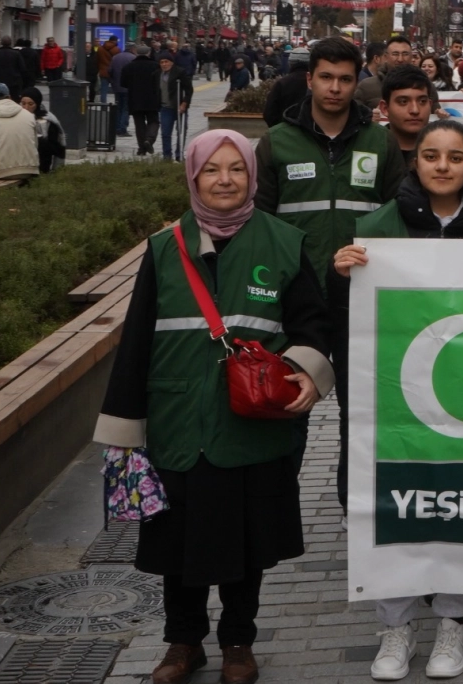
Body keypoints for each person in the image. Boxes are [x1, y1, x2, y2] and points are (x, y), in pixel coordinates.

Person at [94, 130, 332, 684]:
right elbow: (136, 342)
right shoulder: (164, 247)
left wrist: (307, 370)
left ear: (252, 175)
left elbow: (312, 323)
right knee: (177, 543)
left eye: (237, 169)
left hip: (251, 424)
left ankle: (238, 642)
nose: (225, 180)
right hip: (177, 424)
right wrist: (125, 430)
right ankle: (182, 643)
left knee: (246, 542)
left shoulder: (284, 242)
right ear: (193, 177)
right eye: (212, 170)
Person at [332, 119, 463, 681]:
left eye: (455, 157)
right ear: (415, 162)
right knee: (396, 504)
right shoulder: (379, 227)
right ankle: (396, 625)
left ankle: (454, 622)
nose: (442, 166)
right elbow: (347, 316)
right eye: (431, 155)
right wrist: (342, 275)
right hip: (397, 395)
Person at [255, 37, 404, 511]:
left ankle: (352, 507)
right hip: (297, 303)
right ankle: (278, 506)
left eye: (345, 79)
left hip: (360, 299)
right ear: (310, 79)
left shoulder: (380, 141)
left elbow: (400, 216)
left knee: (358, 409)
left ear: (357, 81)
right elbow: (259, 223)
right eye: (326, 78)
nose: (335, 88)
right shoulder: (277, 142)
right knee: (290, 406)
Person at [380, 65, 437, 164]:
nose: (415, 110)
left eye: (422, 101)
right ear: (385, 108)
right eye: (403, 101)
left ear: (430, 105)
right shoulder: (370, 149)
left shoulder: (445, 148)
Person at [118, 45, 162, 156]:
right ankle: (149, 139)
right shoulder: (156, 66)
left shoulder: (128, 67)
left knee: (139, 124)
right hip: (152, 99)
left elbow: (123, 83)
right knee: (154, 121)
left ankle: (141, 149)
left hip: (135, 99)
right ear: (148, 53)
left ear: (136, 53)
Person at [155, 52, 194, 161]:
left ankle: (179, 154)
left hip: (179, 107)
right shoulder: (157, 74)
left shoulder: (179, 72)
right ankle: (167, 156)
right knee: (165, 133)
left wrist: (184, 103)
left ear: (171, 62)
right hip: (165, 108)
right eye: (162, 62)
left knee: (180, 132)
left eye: (166, 62)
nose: (164, 64)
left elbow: (189, 89)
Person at [20, 88, 67, 173]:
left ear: (37, 104)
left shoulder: (48, 120)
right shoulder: (17, 117)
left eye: (30, 104)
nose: (26, 107)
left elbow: (57, 147)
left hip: (41, 165)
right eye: (23, 104)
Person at [263, 48, 312, 128]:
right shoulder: (315, 82)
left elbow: (269, 113)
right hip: (311, 131)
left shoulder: (282, 83)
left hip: (285, 129)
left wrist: (280, 129)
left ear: (290, 63)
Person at [96, 37, 119, 104]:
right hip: (113, 73)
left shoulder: (100, 49)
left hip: (103, 72)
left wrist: (99, 69)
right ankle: (116, 106)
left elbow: (97, 61)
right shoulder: (116, 49)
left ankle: (103, 106)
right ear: (115, 41)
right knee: (116, 90)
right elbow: (117, 62)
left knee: (103, 90)